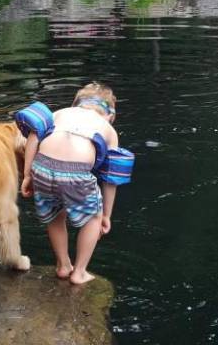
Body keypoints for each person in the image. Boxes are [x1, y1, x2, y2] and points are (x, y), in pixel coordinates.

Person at [15, 82, 134, 285]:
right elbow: (111, 178)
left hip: (41, 166)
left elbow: (34, 135)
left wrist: (27, 175)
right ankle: (79, 272)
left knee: (55, 215)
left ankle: (63, 265)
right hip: (76, 171)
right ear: (110, 115)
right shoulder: (108, 129)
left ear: (76, 103)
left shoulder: (60, 113)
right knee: (93, 219)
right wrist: (106, 214)